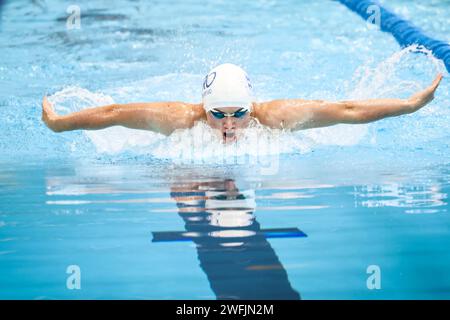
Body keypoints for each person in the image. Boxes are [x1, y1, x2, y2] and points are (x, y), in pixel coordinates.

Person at [42, 63, 443, 143]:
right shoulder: (179, 120)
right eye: (218, 114)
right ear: (204, 108)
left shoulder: (277, 117)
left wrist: (409, 104)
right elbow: (113, 114)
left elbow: (347, 111)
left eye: (239, 114)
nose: (229, 125)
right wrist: (61, 123)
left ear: (253, 107)